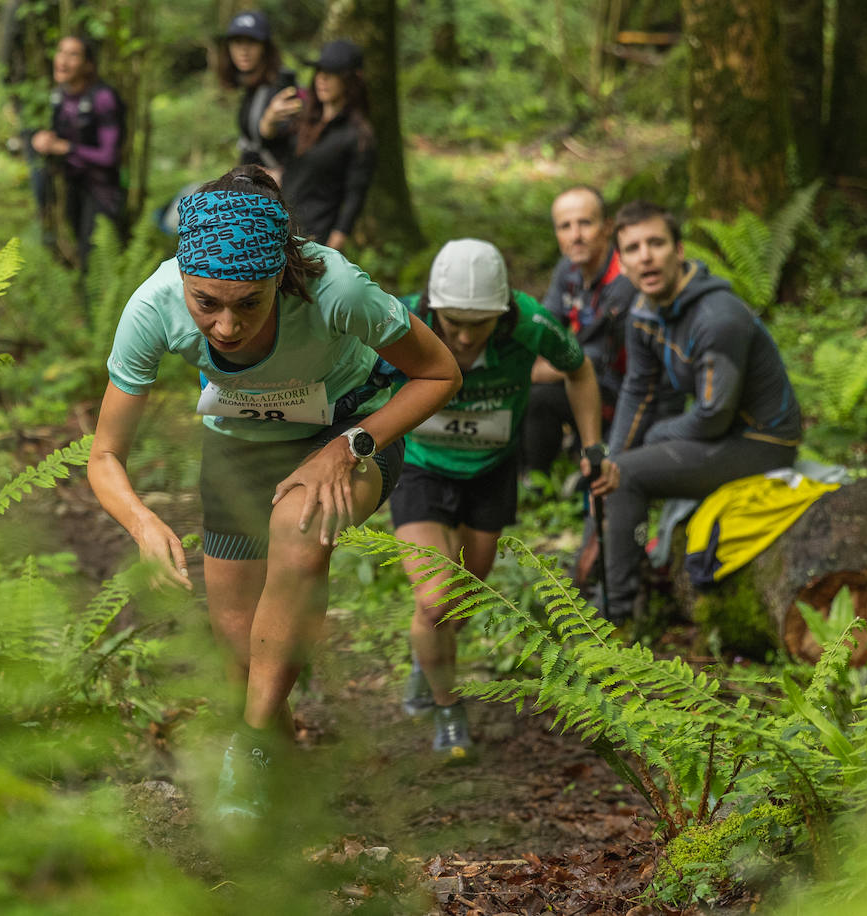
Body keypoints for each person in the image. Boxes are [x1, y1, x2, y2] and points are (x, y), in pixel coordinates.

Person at [88, 165, 460, 818]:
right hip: (238, 445)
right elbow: (104, 455)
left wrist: (348, 448)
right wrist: (143, 522)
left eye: (248, 304)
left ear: (280, 275)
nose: (227, 327)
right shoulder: (153, 306)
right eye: (207, 303)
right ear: (183, 280)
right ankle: (277, 803)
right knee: (244, 658)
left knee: (298, 527)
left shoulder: (336, 288)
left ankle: (250, 752)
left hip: (350, 430)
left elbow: (439, 372)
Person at [389, 239, 605, 759]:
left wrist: (593, 445)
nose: (464, 336)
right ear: (433, 307)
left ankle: (427, 658)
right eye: (453, 322)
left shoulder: (532, 324)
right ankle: (449, 710)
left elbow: (579, 370)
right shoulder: (401, 321)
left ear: (503, 311)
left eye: (479, 323)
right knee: (434, 599)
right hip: (420, 464)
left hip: (491, 470)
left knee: (462, 598)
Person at [593, 201, 802, 622]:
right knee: (615, 470)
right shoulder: (644, 310)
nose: (646, 256)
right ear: (622, 263)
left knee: (627, 477)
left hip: (762, 442)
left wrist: (648, 444)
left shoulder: (717, 317)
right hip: (722, 434)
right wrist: (609, 459)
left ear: (679, 250)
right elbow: (638, 390)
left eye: (656, 243)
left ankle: (614, 617)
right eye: (632, 248)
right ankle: (612, 576)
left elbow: (713, 415)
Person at [522, 186, 641, 475]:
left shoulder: (623, 281)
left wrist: (533, 371)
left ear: (607, 227)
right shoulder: (568, 269)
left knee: (538, 396)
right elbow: (542, 328)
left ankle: (537, 479)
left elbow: (592, 362)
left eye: (585, 223)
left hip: (622, 395)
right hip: (584, 378)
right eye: (565, 226)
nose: (575, 235)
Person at [261, 39, 376, 251]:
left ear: (351, 79)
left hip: (315, 238)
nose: (322, 78)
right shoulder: (305, 120)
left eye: (332, 73)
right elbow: (271, 143)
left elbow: (354, 197)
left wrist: (333, 248)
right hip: (279, 228)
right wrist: (270, 117)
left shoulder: (357, 135)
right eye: (320, 71)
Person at [29, 35, 126, 268]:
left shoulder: (103, 98)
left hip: (102, 191)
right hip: (72, 186)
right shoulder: (58, 96)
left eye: (73, 55)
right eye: (60, 52)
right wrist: (43, 140)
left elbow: (109, 156)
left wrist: (66, 148)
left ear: (88, 64)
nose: (63, 61)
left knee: (94, 259)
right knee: (78, 254)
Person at [215, 10, 295, 176]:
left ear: (265, 48)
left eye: (251, 42)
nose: (244, 50)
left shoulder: (279, 86)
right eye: (237, 42)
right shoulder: (251, 86)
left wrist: (270, 121)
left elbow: (287, 135)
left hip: (275, 182)